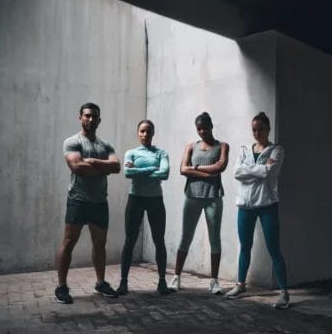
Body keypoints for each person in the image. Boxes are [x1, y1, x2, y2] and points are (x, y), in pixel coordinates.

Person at [54, 102, 121, 304]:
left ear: (99, 120)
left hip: (99, 202)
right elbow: (77, 167)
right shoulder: (72, 142)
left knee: (100, 245)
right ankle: (62, 287)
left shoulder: (106, 146)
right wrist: (104, 167)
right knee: (68, 243)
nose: (90, 119)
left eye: (94, 117)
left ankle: (100, 283)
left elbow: (117, 167)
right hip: (78, 200)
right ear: (80, 117)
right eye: (87, 116)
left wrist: (94, 162)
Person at [225, 111, 290, 309]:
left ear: (268, 129)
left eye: (261, 129)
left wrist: (250, 170)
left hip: (267, 204)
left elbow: (269, 172)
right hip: (245, 204)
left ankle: (284, 292)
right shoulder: (245, 150)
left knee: (273, 248)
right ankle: (241, 285)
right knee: (245, 246)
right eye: (254, 129)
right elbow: (237, 172)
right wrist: (259, 170)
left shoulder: (276, 150)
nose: (257, 133)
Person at [169, 112, 230, 294]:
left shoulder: (223, 146)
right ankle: (176, 277)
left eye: (205, 127)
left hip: (213, 197)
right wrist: (206, 173)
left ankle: (214, 281)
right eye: (199, 129)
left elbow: (221, 167)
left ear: (211, 126)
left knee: (215, 239)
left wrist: (194, 169)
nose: (202, 131)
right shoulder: (191, 147)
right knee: (186, 236)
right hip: (192, 196)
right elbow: (182, 169)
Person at [118, 120, 174, 296]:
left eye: (148, 132)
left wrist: (139, 170)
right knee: (130, 240)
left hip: (155, 200)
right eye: (142, 131)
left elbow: (164, 173)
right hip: (135, 199)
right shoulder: (131, 153)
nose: (145, 135)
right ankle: (123, 283)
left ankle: (162, 282)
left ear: (153, 133)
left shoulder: (161, 152)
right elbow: (128, 173)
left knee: (159, 241)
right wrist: (151, 168)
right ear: (138, 133)